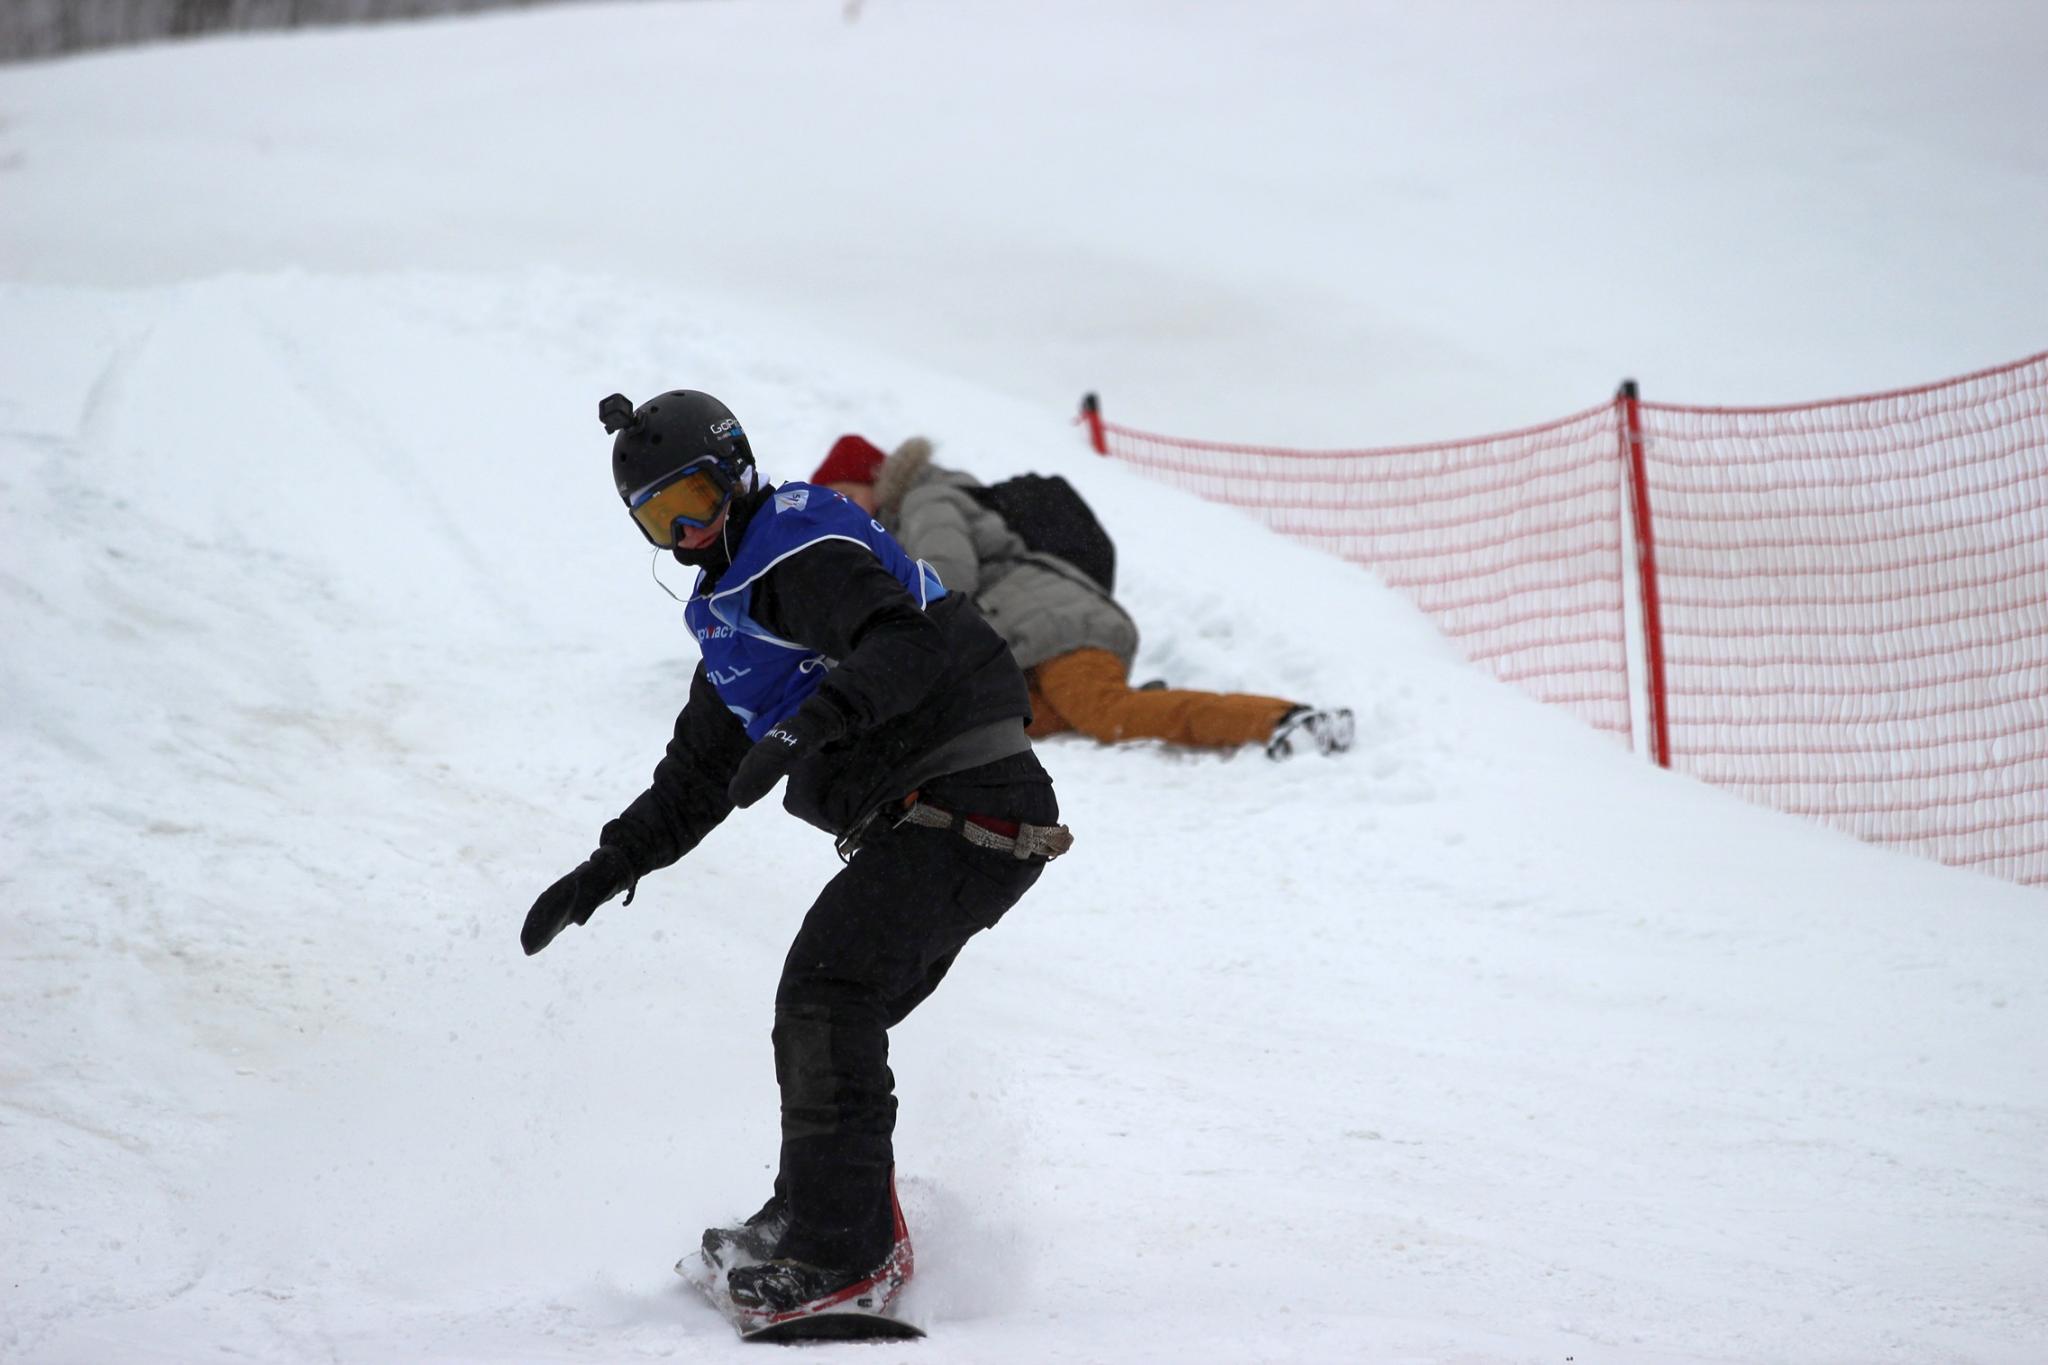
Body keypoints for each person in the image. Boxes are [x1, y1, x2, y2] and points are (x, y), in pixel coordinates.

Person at [521, 391, 1071, 1322]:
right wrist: (606, 867)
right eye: (658, 519)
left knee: (829, 995)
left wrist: (807, 728)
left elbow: (906, 641)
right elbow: (697, 777)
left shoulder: (802, 550)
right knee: (824, 1002)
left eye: (692, 500)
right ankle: (822, 1213)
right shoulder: (736, 618)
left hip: (972, 799)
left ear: (735, 469)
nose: (685, 531)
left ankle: (846, 1252)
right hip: (930, 816)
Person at [810, 433, 1355, 759]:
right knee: (998, 722)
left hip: (1057, 623)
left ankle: (1287, 721)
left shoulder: (925, 501)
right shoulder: (911, 512)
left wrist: (901, 640)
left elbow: (944, 579)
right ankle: (1154, 703)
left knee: (1106, 712)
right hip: (1031, 634)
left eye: (843, 495)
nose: (843, 510)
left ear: (871, 479)